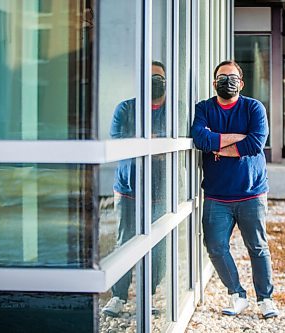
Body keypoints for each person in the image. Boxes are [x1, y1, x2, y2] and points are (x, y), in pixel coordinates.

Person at [191, 60, 279, 319]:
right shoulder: (204, 108)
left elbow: (256, 143)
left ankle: (266, 299)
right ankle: (237, 295)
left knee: (258, 248)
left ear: (241, 83)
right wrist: (237, 138)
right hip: (217, 196)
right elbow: (201, 139)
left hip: (251, 193)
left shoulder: (253, 107)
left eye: (232, 76)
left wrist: (218, 145)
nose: (226, 81)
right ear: (214, 82)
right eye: (221, 76)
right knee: (216, 246)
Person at [102, 61, 167, 317]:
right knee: (124, 242)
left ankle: (147, 296)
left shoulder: (175, 109)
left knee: (158, 246)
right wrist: (153, 143)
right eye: (149, 77)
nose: (154, 81)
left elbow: (174, 142)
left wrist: (146, 142)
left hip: (163, 190)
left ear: (166, 80)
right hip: (129, 188)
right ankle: (119, 296)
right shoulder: (126, 108)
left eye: (159, 77)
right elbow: (119, 142)